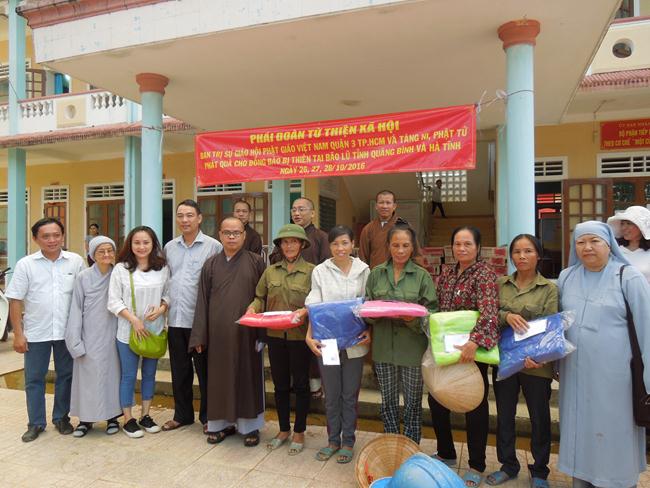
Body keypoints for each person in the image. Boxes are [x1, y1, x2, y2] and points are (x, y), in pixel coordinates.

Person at [557, 221, 650, 488]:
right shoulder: (566, 277)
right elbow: (558, 324)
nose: (587, 247)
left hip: (615, 381)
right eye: (580, 242)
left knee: (613, 435)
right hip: (575, 377)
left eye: (594, 241)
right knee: (580, 433)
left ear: (609, 245)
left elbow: (647, 330)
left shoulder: (628, 277)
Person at [427, 226, 499, 488]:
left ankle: (477, 464)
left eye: (467, 244)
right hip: (447, 350)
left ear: (478, 247)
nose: (462, 248)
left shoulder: (484, 274)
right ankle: (446, 451)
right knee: (437, 398)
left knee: (475, 404)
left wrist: (475, 342)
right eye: (457, 244)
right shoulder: (447, 273)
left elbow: (490, 312)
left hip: (471, 351)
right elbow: (438, 309)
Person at [486, 235, 558, 488]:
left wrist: (538, 357)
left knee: (540, 418)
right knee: (505, 415)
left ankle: (539, 471)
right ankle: (508, 465)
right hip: (506, 361)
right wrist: (506, 316)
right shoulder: (500, 284)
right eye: (517, 251)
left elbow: (551, 326)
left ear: (538, 255)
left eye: (528, 251)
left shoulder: (548, 289)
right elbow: (488, 313)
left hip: (535, 365)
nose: (522, 256)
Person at [6, 217, 85, 442]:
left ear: (62, 236)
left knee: (66, 376)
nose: (52, 240)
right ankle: (36, 423)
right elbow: (15, 300)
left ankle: (61, 418)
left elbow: (85, 295)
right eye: (46, 236)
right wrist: (18, 334)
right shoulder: (26, 264)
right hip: (36, 333)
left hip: (67, 333)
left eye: (56, 235)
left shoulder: (75, 262)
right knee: (34, 379)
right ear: (35, 239)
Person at [190, 217, 266, 446]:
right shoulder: (211, 264)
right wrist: (200, 335)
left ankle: (250, 427)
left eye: (236, 233)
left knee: (248, 378)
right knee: (219, 379)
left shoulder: (256, 262)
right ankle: (220, 425)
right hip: (218, 335)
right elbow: (202, 300)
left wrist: (262, 333)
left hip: (247, 333)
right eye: (227, 233)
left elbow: (264, 296)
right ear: (220, 235)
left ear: (244, 235)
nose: (232, 237)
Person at [365, 223, 437, 444]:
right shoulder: (376, 274)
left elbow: (432, 313)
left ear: (413, 247)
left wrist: (412, 319)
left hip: (412, 349)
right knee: (387, 402)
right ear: (388, 246)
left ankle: (410, 446)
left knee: (413, 402)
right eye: (395, 245)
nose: (400, 250)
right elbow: (366, 307)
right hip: (383, 349)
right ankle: (391, 443)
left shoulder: (422, 276)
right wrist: (375, 314)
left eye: (405, 245)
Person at [305, 225, 371, 464]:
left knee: (349, 394)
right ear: (329, 246)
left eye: (345, 243)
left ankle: (348, 441)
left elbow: (369, 305)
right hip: (327, 343)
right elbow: (314, 306)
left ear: (353, 244)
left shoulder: (364, 271)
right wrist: (309, 336)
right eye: (335, 244)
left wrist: (370, 330)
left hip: (355, 342)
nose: (340, 248)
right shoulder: (320, 271)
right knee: (331, 394)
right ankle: (333, 440)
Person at [248, 223, 315, 455]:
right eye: (285, 242)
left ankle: (299, 431)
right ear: (280, 246)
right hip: (275, 336)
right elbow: (260, 297)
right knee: (280, 386)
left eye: (294, 241)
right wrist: (253, 308)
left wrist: (305, 312)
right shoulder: (271, 271)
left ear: (302, 244)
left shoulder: (313, 272)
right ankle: (284, 429)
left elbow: (317, 301)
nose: (289, 246)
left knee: (301, 385)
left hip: (300, 337)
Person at [162, 200, 222, 432]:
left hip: (200, 322)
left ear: (199, 218)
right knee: (179, 371)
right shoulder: (170, 247)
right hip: (175, 319)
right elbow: (167, 281)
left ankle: (208, 417)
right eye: (180, 215)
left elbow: (216, 286)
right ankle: (182, 415)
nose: (184, 220)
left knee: (205, 372)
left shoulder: (213, 247)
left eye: (189, 215)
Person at [108, 226, 170, 438]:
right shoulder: (121, 269)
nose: (141, 247)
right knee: (128, 376)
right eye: (137, 242)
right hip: (128, 332)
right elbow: (113, 301)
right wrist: (134, 320)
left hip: (154, 331)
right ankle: (128, 419)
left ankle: (146, 415)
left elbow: (168, 294)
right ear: (130, 244)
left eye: (146, 242)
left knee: (150, 375)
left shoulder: (162, 267)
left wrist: (161, 309)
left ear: (153, 244)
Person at [269, 197, 330, 399]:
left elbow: (326, 265)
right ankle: (292, 384)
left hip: (313, 296)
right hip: (286, 298)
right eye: (294, 209)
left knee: (311, 343)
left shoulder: (321, 237)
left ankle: (314, 385)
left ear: (312, 213)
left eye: (302, 209)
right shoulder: (286, 235)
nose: (296, 213)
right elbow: (275, 259)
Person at [65, 236, 121, 437]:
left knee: (113, 377)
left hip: (114, 333)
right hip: (89, 335)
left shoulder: (119, 274)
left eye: (110, 250)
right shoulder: (84, 277)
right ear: (92, 255)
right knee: (87, 378)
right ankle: (85, 420)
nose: (106, 254)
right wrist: (75, 341)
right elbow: (76, 309)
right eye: (101, 251)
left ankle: (113, 417)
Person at [359, 190, 407, 269]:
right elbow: (363, 257)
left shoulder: (403, 227)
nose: (384, 206)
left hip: (399, 273)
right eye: (381, 202)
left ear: (394, 206)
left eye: (388, 203)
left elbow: (414, 253)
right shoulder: (368, 229)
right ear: (376, 206)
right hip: (375, 274)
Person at [607, 205, 650, 283]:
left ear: (641, 227)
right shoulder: (615, 250)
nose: (624, 228)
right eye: (622, 224)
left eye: (629, 223)